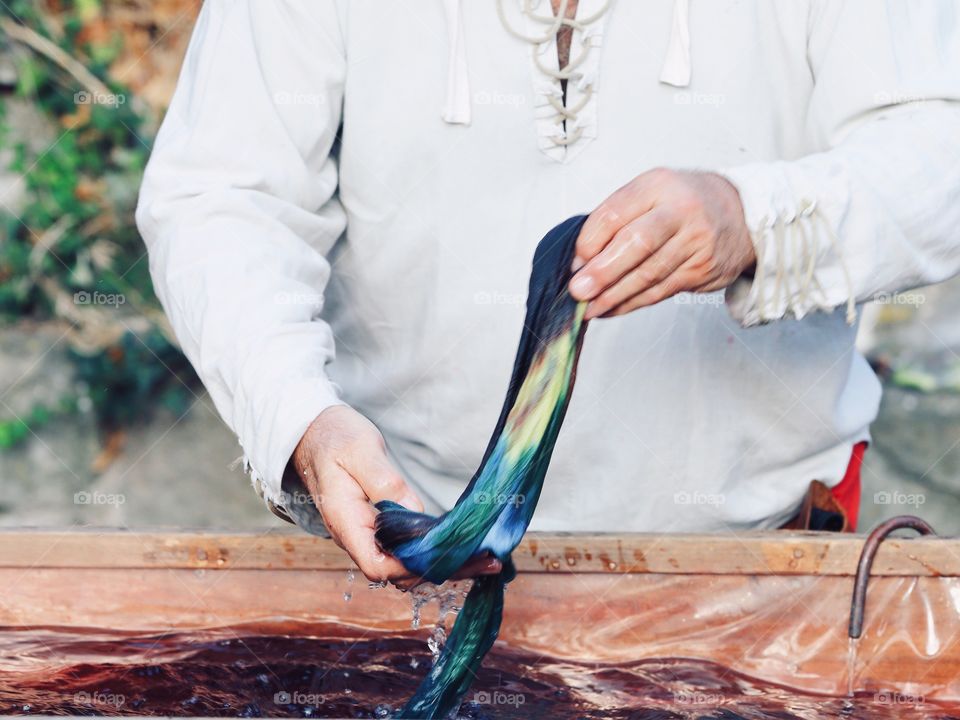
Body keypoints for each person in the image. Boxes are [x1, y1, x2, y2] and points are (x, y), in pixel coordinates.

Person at [137, 0, 960, 586]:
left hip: (768, 558)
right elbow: (222, 198)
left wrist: (757, 221)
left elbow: (939, 152)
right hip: (412, 558)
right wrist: (298, 419)